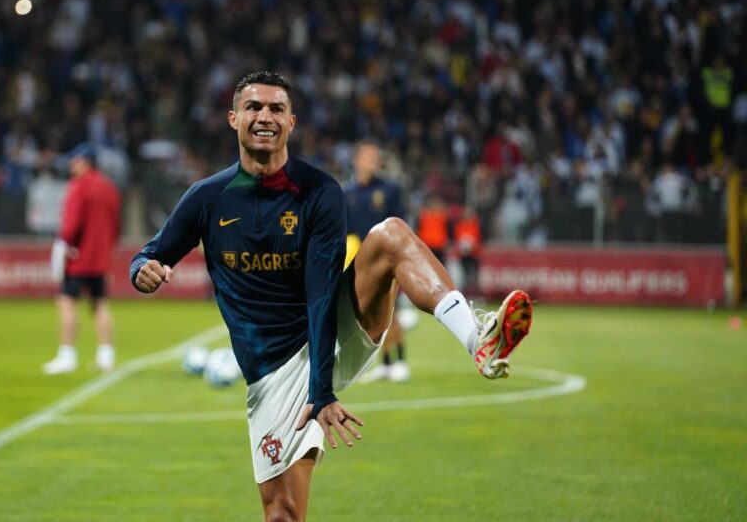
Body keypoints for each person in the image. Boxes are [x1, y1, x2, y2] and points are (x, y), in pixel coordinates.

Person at [130, 71, 532, 521]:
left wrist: (321, 390)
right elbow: (149, 254)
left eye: (277, 109)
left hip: (331, 330)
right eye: (254, 107)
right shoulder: (207, 198)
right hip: (272, 373)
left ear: (291, 122)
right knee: (283, 514)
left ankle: (478, 338)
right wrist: (141, 270)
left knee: (392, 235)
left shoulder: (319, 192)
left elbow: (321, 295)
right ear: (233, 118)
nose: (265, 117)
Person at [43, 143, 122, 375]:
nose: (71, 164)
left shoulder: (79, 186)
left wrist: (63, 245)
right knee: (99, 304)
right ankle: (106, 356)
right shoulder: (109, 187)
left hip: (78, 256)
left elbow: (71, 224)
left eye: (75, 160)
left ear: (86, 162)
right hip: (101, 257)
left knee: (67, 302)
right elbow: (116, 223)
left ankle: (67, 355)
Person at [344, 140, 412, 383]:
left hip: (387, 258)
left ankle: (401, 361)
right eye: (369, 157)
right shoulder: (348, 193)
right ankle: (386, 363)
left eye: (376, 157)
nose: (375, 162)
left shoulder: (390, 189)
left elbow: (399, 224)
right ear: (357, 160)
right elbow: (346, 230)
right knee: (372, 316)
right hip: (361, 262)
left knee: (390, 310)